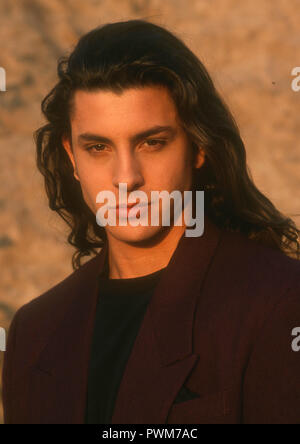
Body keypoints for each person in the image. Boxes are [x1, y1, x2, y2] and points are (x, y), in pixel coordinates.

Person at [2, 19, 300, 424]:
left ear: (198, 147)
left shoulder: (280, 303)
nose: (126, 178)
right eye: (98, 147)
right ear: (72, 156)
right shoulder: (33, 332)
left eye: (151, 142)